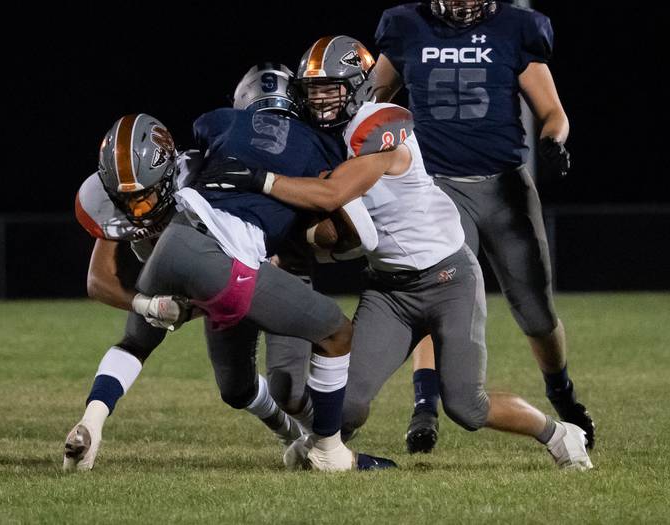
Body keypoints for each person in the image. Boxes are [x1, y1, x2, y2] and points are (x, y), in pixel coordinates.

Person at [198, 35, 593, 470]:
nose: (322, 99)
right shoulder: (320, 137)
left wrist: (259, 179)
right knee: (342, 407)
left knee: (466, 406)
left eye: (333, 87)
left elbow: (332, 192)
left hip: (447, 279)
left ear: (361, 86)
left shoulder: (380, 123)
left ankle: (558, 433)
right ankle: (329, 446)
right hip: (389, 290)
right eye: (313, 89)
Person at [133, 63, 394, 471]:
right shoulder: (315, 143)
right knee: (237, 385)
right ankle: (321, 438)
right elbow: (359, 232)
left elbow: (343, 218)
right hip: (236, 255)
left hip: (278, 267)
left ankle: (327, 442)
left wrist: (270, 189)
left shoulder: (223, 128)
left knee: (288, 387)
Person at [371, 0, 595, 453]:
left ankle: (562, 395)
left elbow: (553, 111)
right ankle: (424, 407)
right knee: (438, 294)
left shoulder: (516, 27)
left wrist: (553, 141)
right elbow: (372, 104)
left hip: (504, 186)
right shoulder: (406, 27)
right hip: (434, 190)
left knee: (535, 310)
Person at [63, 113, 304, 471]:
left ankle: (301, 432)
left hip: (235, 273)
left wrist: (191, 308)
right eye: (126, 199)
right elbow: (97, 280)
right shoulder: (117, 198)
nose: (136, 210)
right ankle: (92, 422)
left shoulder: (204, 180)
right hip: (175, 276)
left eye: (145, 197)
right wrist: (147, 303)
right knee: (137, 339)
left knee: (243, 388)